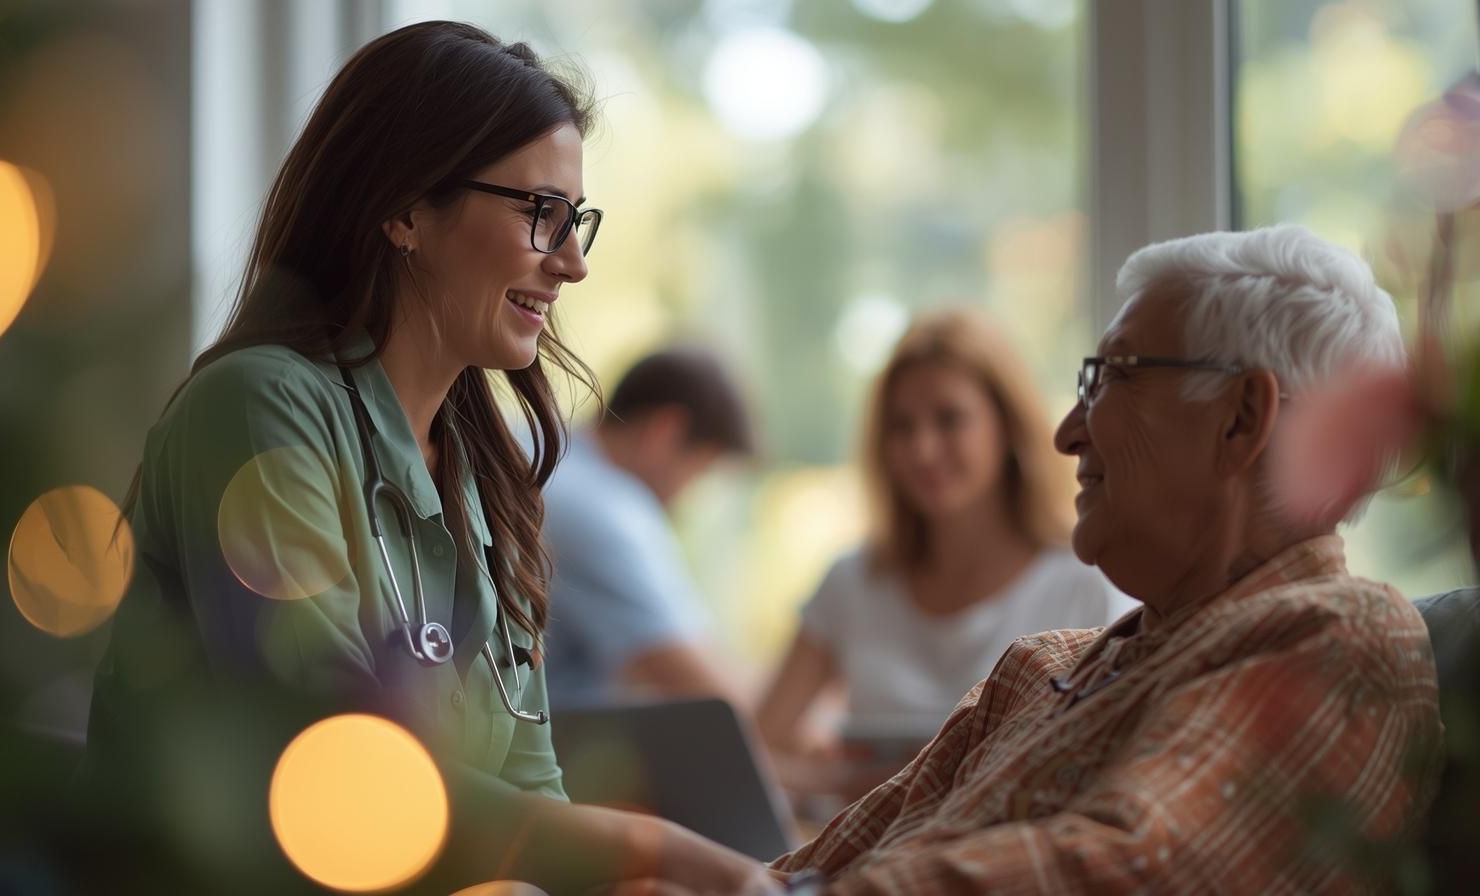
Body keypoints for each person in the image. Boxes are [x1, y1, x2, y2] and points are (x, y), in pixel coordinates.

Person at [80, 22, 775, 895]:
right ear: (406, 208)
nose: (571, 264)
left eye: (577, 222)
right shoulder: (260, 406)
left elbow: (531, 788)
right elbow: (334, 768)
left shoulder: (484, 478)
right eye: (540, 214)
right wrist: (657, 851)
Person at [769, 225, 1443, 893]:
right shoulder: (1032, 675)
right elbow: (802, 874)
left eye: (1113, 378)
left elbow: (1127, 871)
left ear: (1240, 419)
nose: (1066, 432)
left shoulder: (1345, 639)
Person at [756, 308, 1127, 803]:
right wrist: (843, 782)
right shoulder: (853, 582)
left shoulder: (1085, 583)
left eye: (949, 420)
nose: (922, 449)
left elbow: (1105, 768)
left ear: (1008, 427)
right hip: (861, 864)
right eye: (901, 427)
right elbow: (756, 748)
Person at [542, 346, 755, 707]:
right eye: (699, 472)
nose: (686, 500)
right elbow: (709, 692)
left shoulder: (538, 451)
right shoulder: (603, 508)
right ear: (664, 433)